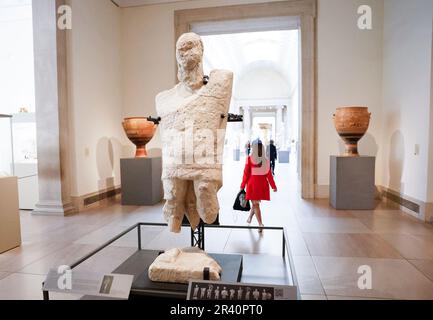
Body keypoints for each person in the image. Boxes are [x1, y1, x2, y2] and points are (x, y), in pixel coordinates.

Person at [240, 139, 277, 233]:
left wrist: (242, 185)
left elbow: (246, 174)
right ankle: (249, 218)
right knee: (255, 203)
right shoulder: (265, 160)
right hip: (262, 186)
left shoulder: (249, 159)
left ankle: (260, 224)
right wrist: (273, 186)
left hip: (252, 185)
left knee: (255, 204)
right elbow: (269, 175)